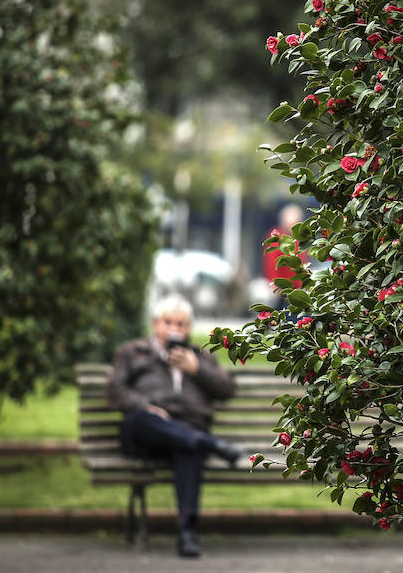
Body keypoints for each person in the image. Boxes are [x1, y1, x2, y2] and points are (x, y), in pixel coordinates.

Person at [106, 295, 243, 558]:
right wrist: (145, 405)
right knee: (145, 420)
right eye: (168, 322)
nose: (174, 329)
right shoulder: (133, 352)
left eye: (181, 324)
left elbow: (227, 389)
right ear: (155, 323)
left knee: (188, 444)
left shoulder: (200, 356)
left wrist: (196, 369)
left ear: (189, 328)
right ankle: (211, 445)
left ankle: (187, 535)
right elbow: (115, 390)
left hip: (187, 431)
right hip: (145, 430)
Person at [263, 203, 307, 309]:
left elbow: (303, 261)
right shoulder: (276, 237)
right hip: (281, 287)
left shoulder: (299, 239)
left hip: (296, 287)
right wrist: (274, 283)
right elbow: (271, 263)